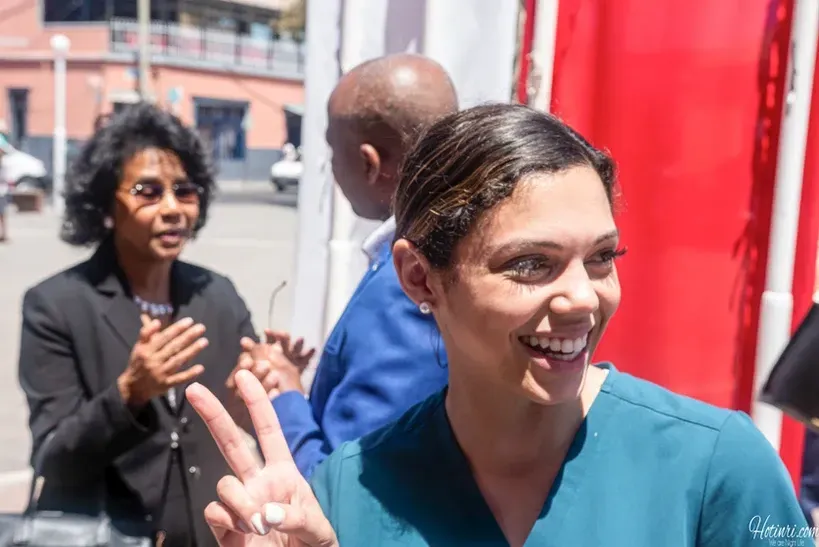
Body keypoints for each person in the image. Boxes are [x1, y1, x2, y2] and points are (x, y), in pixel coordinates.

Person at [187, 103, 808, 546]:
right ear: (421, 279)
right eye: (530, 264)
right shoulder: (346, 490)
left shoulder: (719, 466)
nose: (581, 301)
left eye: (601, 258)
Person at [17, 103, 276, 547]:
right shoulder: (54, 305)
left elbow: (241, 423)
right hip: (102, 535)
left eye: (185, 191)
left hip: (210, 534)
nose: (172, 208)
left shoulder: (218, 294)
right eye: (148, 191)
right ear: (105, 204)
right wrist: (128, 394)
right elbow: (53, 459)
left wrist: (260, 389)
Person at [264, 53, 459, 479]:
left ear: (369, 163)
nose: (331, 166)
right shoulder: (451, 247)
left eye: (334, 150)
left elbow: (342, 485)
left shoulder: (409, 285)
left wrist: (284, 395)